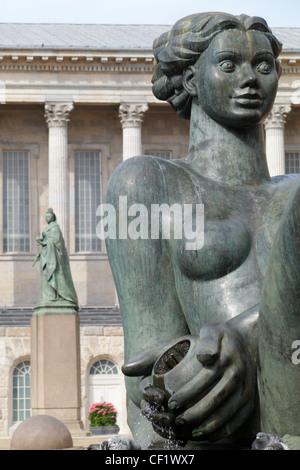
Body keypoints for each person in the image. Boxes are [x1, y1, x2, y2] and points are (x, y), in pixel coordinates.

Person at [105, 12, 300, 448]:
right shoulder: (147, 184)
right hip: (215, 422)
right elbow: (148, 370)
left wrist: (246, 336)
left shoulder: (294, 194)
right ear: (191, 80)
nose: (250, 78)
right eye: (229, 65)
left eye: (264, 66)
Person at [34, 208, 78, 308]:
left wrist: (44, 242)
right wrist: (42, 245)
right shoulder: (49, 228)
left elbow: (57, 242)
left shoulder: (55, 227)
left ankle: (59, 296)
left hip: (54, 257)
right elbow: (48, 241)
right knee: (45, 276)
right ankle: (49, 297)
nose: (47, 218)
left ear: (53, 217)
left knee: (54, 275)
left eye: (49, 216)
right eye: (46, 217)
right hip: (46, 255)